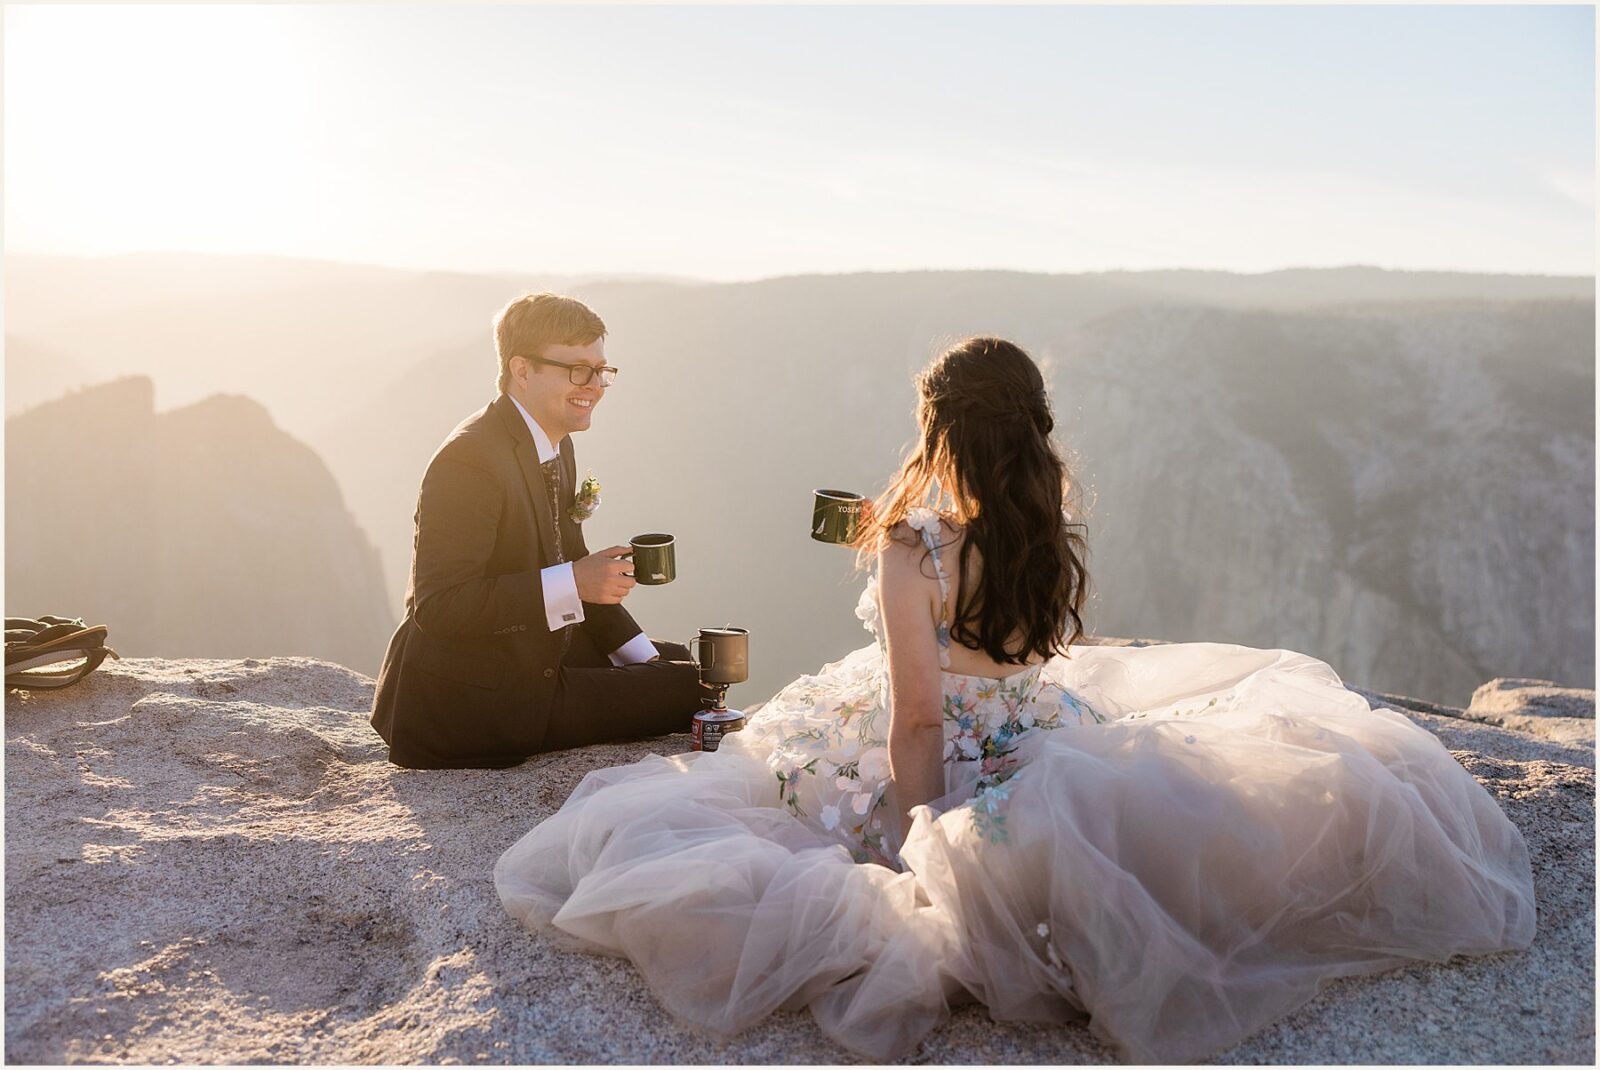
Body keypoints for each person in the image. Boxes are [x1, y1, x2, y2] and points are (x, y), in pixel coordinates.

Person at [494, 337, 1536, 1062]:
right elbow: (1021, 649)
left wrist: (918, 829)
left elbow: (913, 712)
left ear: (940, 426)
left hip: (931, 750)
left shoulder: (918, 542)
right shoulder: (1043, 529)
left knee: (775, 774)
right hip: (1036, 736)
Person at [370, 293, 702, 769]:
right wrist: (574, 582)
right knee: (694, 688)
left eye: (601, 369)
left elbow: (573, 563)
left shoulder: (553, 441)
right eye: (577, 369)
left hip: (536, 652)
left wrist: (642, 659)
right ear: (522, 370)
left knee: (689, 665)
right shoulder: (470, 460)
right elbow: (441, 606)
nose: (595, 385)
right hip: (475, 696)